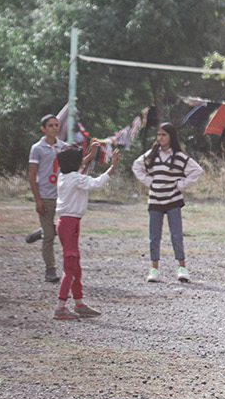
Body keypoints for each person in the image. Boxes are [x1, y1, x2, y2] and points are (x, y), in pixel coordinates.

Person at [53, 142, 118, 320]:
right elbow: (96, 183)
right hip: (70, 225)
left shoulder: (64, 175)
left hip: (65, 223)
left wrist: (91, 153)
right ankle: (60, 307)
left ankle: (79, 303)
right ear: (76, 163)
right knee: (70, 267)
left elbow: (79, 165)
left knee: (75, 266)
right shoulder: (76, 178)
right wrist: (112, 167)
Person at [132, 122, 204, 284]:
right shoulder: (151, 155)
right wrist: (149, 181)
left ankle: (182, 268)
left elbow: (197, 170)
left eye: (164, 135)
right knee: (154, 236)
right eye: (159, 134)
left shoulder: (179, 157)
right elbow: (137, 166)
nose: (160, 138)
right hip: (155, 200)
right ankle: (154, 269)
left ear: (171, 137)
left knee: (176, 235)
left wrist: (181, 185)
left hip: (173, 200)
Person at [26, 114, 67, 283]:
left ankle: (43, 230)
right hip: (45, 195)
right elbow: (32, 173)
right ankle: (50, 268)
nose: (55, 128)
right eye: (51, 125)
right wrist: (38, 199)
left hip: (62, 196)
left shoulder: (63, 147)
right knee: (50, 237)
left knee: (65, 229)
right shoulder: (37, 148)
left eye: (57, 125)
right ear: (43, 129)